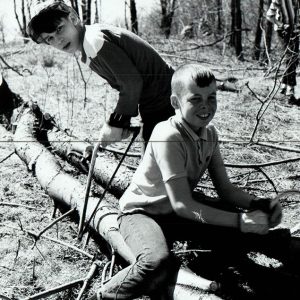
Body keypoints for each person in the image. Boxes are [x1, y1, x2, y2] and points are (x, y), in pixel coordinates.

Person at [87, 64, 283, 299]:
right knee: (155, 262)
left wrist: (258, 203)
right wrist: (241, 221)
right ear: (175, 102)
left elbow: (226, 189)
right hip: (142, 213)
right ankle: (103, 295)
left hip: (175, 212)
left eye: (212, 98)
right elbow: (183, 205)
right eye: (195, 99)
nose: (205, 106)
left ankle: (205, 271)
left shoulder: (210, 134)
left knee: (231, 225)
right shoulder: (167, 135)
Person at [27, 0, 175, 145]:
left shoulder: (94, 42)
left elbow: (131, 83)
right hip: (156, 100)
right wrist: (122, 121)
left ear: (73, 18)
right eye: (50, 38)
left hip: (166, 97)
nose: (58, 40)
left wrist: (116, 122)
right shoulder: (88, 43)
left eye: (59, 29)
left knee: (157, 160)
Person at [266, 0, 300, 106]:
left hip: (296, 30)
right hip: (283, 31)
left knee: (293, 57)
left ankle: (284, 86)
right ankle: (290, 90)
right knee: (291, 57)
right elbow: (269, 15)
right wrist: (281, 24)